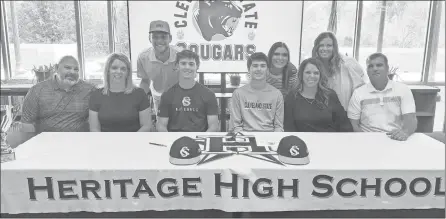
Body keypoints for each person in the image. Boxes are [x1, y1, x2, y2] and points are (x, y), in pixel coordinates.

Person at [348, 53, 417, 141]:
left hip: (395, 138)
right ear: (367, 71)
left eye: (379, 65)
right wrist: (364, 139)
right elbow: (354, 125)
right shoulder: (358, 93)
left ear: (387, 69)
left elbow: (411, 119)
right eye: (371, 66)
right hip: (367, 139)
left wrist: (405, 132)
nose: (375, 69)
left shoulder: (403, 90)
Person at [20, 55, 96, 134]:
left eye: (76, 69)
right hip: (46, 142)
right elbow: (27, 122)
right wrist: (34, 143)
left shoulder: (89, 90)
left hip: (79, 142)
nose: (72, 72)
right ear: (56, 68)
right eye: (67, 68)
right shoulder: (37, 91)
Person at [156, 50, 219, 132]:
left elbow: (214, 126)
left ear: (197, 67)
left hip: (199, 140)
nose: (187, 67)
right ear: (177, 66)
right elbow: (161, 125)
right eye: (183, 63)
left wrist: (200, 141)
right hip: (174, 141)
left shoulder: (209, 95)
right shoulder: (167, 95)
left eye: (191, 64)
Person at [284, 58, 352, 132]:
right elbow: (289, 127)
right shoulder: (292, 97)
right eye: (308, 72)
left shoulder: (330, 95)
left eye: (316, 73)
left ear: (320, 75)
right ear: (301, 74)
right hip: (302, 141)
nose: (312, 76)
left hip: (329, 140)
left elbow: (344, 124)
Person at [89, 53, 152, 132]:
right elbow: (94, 129)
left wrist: (130, 142)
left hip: (134, 141)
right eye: (114, 68)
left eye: (123, 69)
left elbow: (146, 126)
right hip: (105, 142)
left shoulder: (139, 94)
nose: (119, 71)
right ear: (107, 71)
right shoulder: (96, 95)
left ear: (128, 73)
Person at [312, 31, 368, 111]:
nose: (325, 49)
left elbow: (361, 90)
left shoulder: (348, 63)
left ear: (335, 47)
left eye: (329, 45)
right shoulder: (313, 66)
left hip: (345, 114)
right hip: (321, 114)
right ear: (316, 48)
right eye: (321, 45)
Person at [229, 52, 284, 132]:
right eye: (255, 66)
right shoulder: (238, 94)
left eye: (263, 66)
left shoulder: (277, 95)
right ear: (249, 69)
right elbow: (235, 126)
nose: (259, 69)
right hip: (246, 138)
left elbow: (278, 127)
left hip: (269, 138)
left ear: (267, 70)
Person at [137, 20, 183, 115]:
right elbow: (145, 81)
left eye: (163, 37)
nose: (159, 41)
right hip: (158, 97)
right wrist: (138, 99)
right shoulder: (143, 57)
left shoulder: (181, 55)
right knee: (162, 125)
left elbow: (189, 80)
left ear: (170, 38)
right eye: (155, 37)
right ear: (150, 39)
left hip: (180, 97)